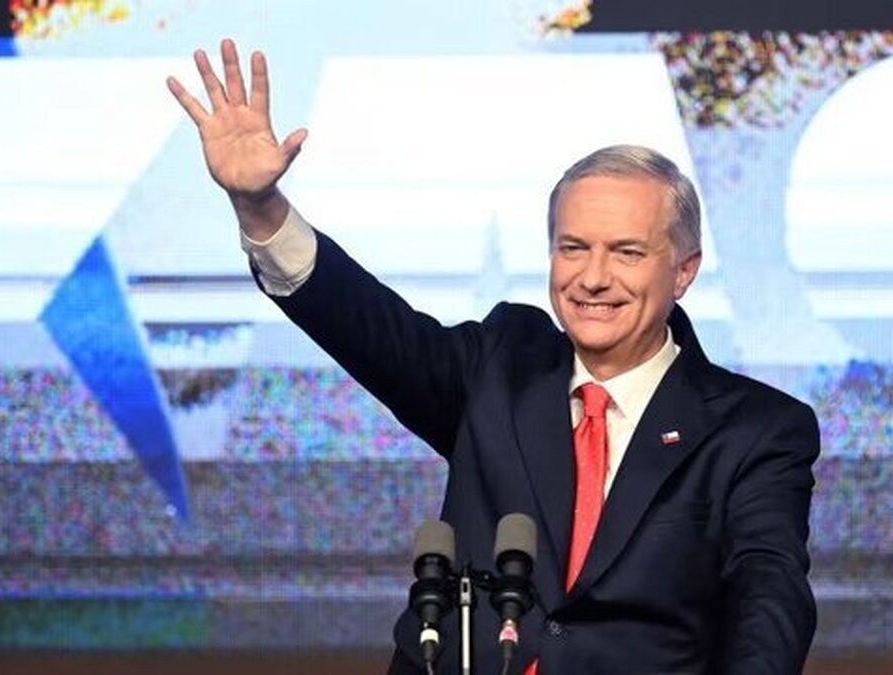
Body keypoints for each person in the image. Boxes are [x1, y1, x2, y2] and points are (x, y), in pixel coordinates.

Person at [168, 39, 820, 675]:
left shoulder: (756, 430)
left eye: (626, 252)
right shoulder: (500, 368)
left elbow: (770, 598)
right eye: (573, 248)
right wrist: (261, 207)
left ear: (683, 270)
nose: (593, 277)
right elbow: (370, 328)